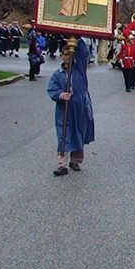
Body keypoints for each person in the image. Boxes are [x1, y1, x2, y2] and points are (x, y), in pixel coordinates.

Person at [47, 39, 94, 176]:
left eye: (70, 53)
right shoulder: (58, 74)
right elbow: (52, 89)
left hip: (80, 106)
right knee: (64, 135)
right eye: (65, 54)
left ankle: (76, 160)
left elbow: (84, 53)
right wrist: (61, 95)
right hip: (65, 108)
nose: (68, 56)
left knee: (78, 132)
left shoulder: (79, 69)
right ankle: (62, 164)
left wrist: (76, 39)